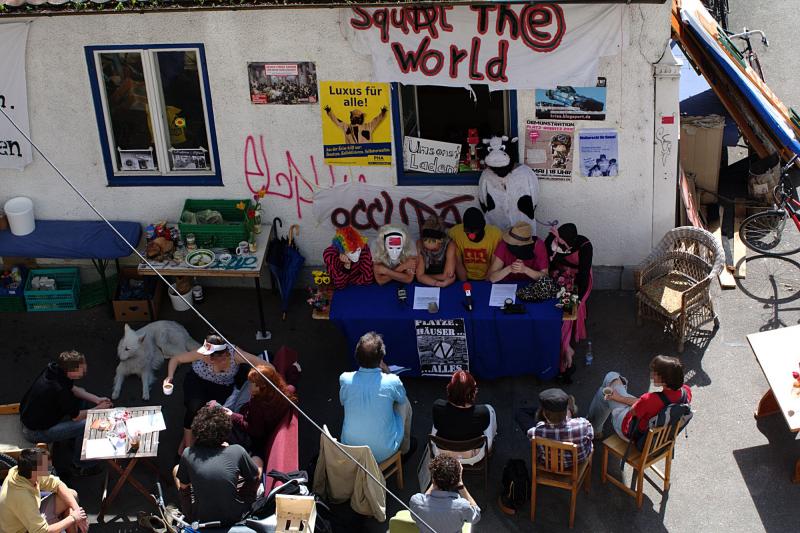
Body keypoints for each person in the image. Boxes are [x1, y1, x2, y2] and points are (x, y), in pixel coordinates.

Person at [163, 334, 272, 455]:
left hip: (222, 386)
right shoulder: (201, 353)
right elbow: (176, 359)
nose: (203, 355)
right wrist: (170, 376)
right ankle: (189, 449)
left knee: (212, 409)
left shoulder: (235, 355)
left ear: (221, 356)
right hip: (197, 380)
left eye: (207, 355)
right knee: (194, 407)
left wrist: (274, 382)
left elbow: (265, 365)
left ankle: (190, 431)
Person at [20, 350, 111, 474]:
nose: (85, 372)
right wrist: (98, 410)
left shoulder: (55, 370)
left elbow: (73, 389)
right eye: (82, 371)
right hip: (36, 432)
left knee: (81, 395)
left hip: (34, 416)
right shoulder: (59, 390)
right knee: (88, 424)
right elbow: (77, 416)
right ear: (71, 371)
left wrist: (97, 400)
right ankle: (81, 465)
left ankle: (74, 440)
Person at [174, 405, 261, 528]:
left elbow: (184, 488)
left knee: (176, 470)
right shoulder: (237, 451)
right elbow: (254, 478)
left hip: (199, 517)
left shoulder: (188, 453)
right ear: (225, 430)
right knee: (257, 461)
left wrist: (189, 512)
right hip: (236, 515)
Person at [339, 332, 413, 463]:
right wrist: (387, 373)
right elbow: (400, 398)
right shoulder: (392, 381)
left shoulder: (345, 379)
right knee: (404, 403)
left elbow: (342, 402)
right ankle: (405, 450)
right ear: (381, 360)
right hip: (384, 452)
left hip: (350, 450)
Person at [587, 355, 692, 439]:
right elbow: (645, 405)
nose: (652, 375)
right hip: (656, 438)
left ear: (665, 380)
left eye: (655, 373)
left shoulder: (650, 399)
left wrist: (618, 398)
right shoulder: (686, 392)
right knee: (607, 391)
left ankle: (589, 427)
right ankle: (595, 428)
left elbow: (633, 411)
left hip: (629, 431)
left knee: (609, 380)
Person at [545, 223, 594, 378]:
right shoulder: (551, 240)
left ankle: (566, 350)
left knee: (568, 313)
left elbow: (584, 276)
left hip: (578, 281)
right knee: (550, 307)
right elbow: (549, 263)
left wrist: (576, 298)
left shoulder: (585, 246)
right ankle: (564, 347)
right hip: (558, 275)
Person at [0, 448, 88, 533]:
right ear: (35, 472)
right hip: (25, 529)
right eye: (48, 467)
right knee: (71, 514)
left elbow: (57, 484)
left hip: (32, 513)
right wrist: (73, 518)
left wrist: (78, 512)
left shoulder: (22, 472)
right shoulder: (22, 497)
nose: (51, 469)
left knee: (72, 495)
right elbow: (41, 531)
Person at [228, 364, 297, 466]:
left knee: (231, 407)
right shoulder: (285, 392)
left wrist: (232, 415)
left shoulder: (258, 404)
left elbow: (255, 431)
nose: (251, 386)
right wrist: (294, 372)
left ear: (263, 386)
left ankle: (233, 397)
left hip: (244, 415)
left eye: (253, 384)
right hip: (256, 417)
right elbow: (292, 386)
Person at [432, 371, 497, 459]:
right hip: (472, 455)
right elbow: (484, 427)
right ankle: (489, 452)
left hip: (443, 452)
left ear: (449, 390)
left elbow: (436, 425)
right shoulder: (483, 412)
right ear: (473, 393)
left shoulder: (437, 406)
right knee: (490, 409)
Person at [409, 455, 481, 533]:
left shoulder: (416, 501)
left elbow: (414, 517)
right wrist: (460, 484)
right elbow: (476, 516)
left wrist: (435, 480)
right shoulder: (463, 506)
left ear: (433, 479)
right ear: (456, 480)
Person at [527, 388, 593, 469]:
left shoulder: (536, 432)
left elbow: (530, 435)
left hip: (549, 465)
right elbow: (591, 436)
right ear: (566, 411)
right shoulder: (583, 424)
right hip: (578, 463)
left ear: (544, 414)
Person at [449, 207, 502, 281]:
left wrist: (485, 284)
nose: (471, 234)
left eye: (475, 230)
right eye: (467, 230)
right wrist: (465, 284)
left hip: (488, 277)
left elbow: (494, 265)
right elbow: (458, 264)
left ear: (483, 227)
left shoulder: (495, 235)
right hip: (465, 277)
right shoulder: (455, 233)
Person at [415, 216, 457, 288]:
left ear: (441, 241)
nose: (428, 251)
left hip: (441, 284)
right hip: (427, 284)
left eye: (433, 249)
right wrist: (438, 283)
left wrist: (424, 276)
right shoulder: (419, 244)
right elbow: (419, 277)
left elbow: (447, 276)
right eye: (426, 248)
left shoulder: (450, 245)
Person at [323, 106, 388, 144]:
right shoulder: (368, 126)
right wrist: (383, 112)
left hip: (365, 156)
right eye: (360, 117)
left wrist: (329, 111)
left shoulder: (368, 126)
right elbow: (377, 120)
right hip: (355, 157)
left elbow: (336, 121)